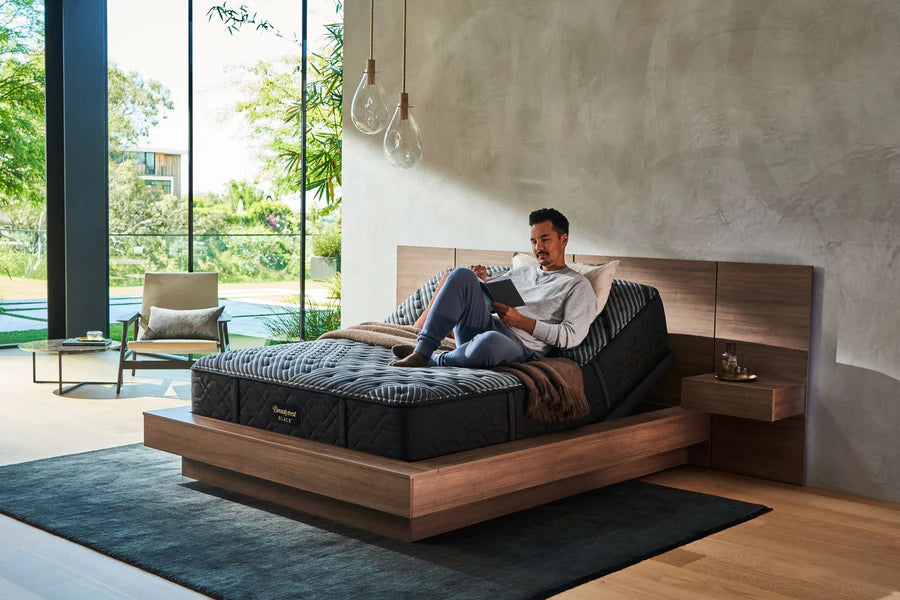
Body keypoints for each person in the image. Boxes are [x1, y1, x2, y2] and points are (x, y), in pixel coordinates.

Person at [390, 208, 597, 368]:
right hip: (483, 325)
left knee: (490, 342)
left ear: (564, 239)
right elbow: (489, 303)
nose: (538, 248)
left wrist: (521, 321)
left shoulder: (578, 286)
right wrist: (482, 284)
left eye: (544, 240)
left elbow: (570, 336)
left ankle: (436, 359)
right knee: (462, 275)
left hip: (516, 346)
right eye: (533, 241)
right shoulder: (522, 272)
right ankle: (422, 351)